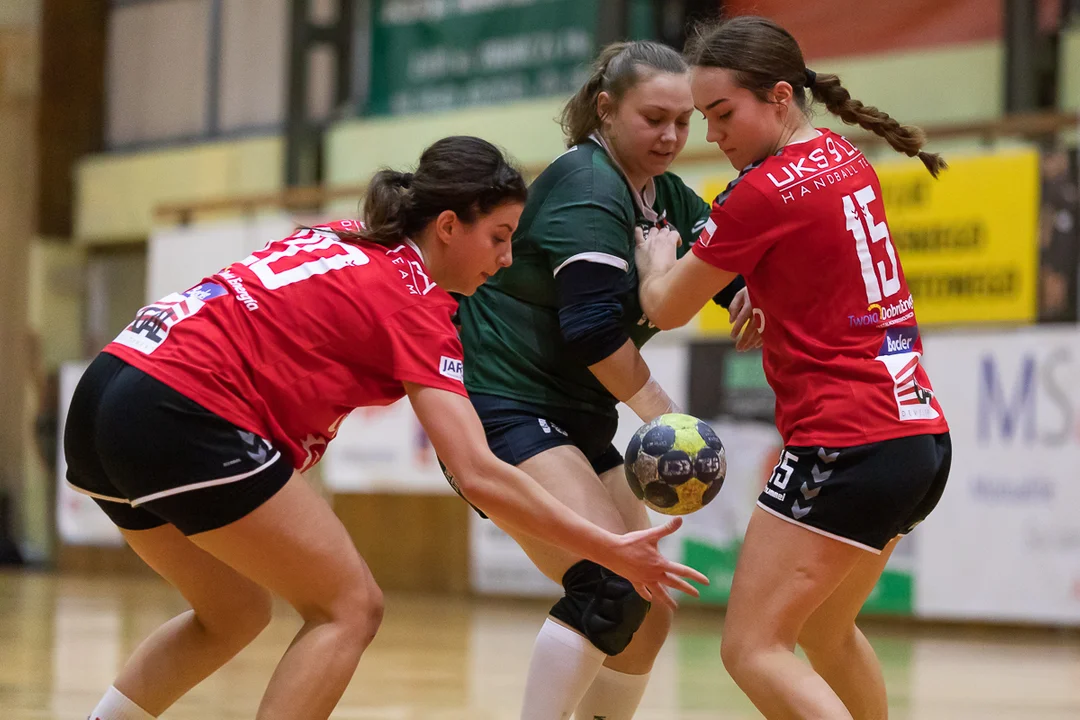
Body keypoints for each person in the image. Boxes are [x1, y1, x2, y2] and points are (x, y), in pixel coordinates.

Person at [63, 136, 707, 720]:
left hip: (110, 387)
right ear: (449, 226)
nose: (509, 259)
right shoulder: (417, 305)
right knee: (349, 608)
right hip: (185, 407)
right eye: (501, 237)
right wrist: (607, 545)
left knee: (232, 614)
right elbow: (480, 472)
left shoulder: (344, 235)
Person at [633, 16, 953, 720]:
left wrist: (654, 260)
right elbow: (826, 265)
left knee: (752, 648)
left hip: (848, 441)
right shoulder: (841, 155)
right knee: (824, 633)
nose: (713, 138)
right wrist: (767, 290)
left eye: (723, 116)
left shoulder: (761, 192)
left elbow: (665, 308)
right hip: (918, 438)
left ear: (779, 97)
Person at [453, 43, 749, 720]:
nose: (673, 136)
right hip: (505, 409)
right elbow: (590, 333)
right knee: (608, 587)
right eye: (655, 119)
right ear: (607, 110)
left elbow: (723, 272)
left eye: (685, 119)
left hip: (575, 420)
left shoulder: (664, 193)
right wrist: (660, 412)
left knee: (645, 611)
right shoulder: (588, 188)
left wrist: (744, 295)